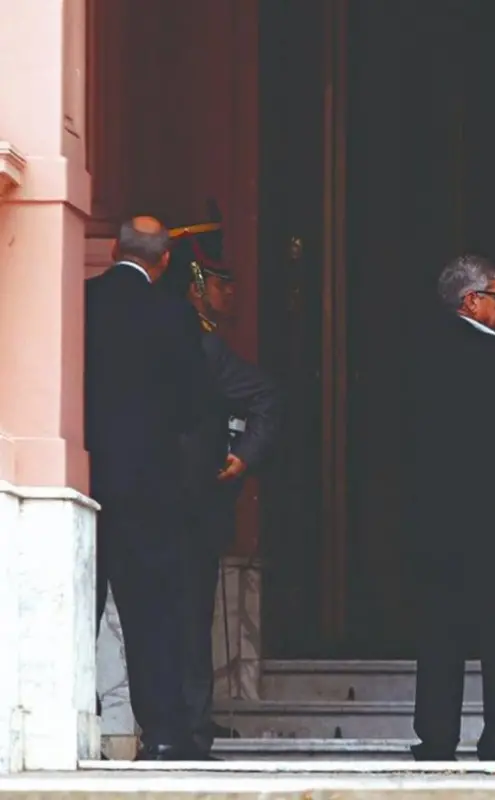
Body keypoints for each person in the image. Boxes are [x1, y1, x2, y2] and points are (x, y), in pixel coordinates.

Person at [85, 215, 209, 760]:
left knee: (80, 613)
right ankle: (162, 734)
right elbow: (191, 405)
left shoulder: (81, 299)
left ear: (113, 249)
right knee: (152, 612)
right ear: (163, 262)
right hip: (150, 483)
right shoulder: (173, 313)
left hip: (82, 476)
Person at [165, 205, 284, 757]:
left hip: (172, 501)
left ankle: (184, 722)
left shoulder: (196, 338)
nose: (229, 294)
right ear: (195, 284)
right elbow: (264, 396)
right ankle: (188, 724)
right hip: (186, 504)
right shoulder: (202, 344)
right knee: (185, 617)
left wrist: (241, 458)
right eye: (221, 284)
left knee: (181, 617)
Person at [408, 255, 495, 761]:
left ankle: (436, 735)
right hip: (492, 520)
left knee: (439, 628)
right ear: (472, 301)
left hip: (433, 519)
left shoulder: (416, 355)